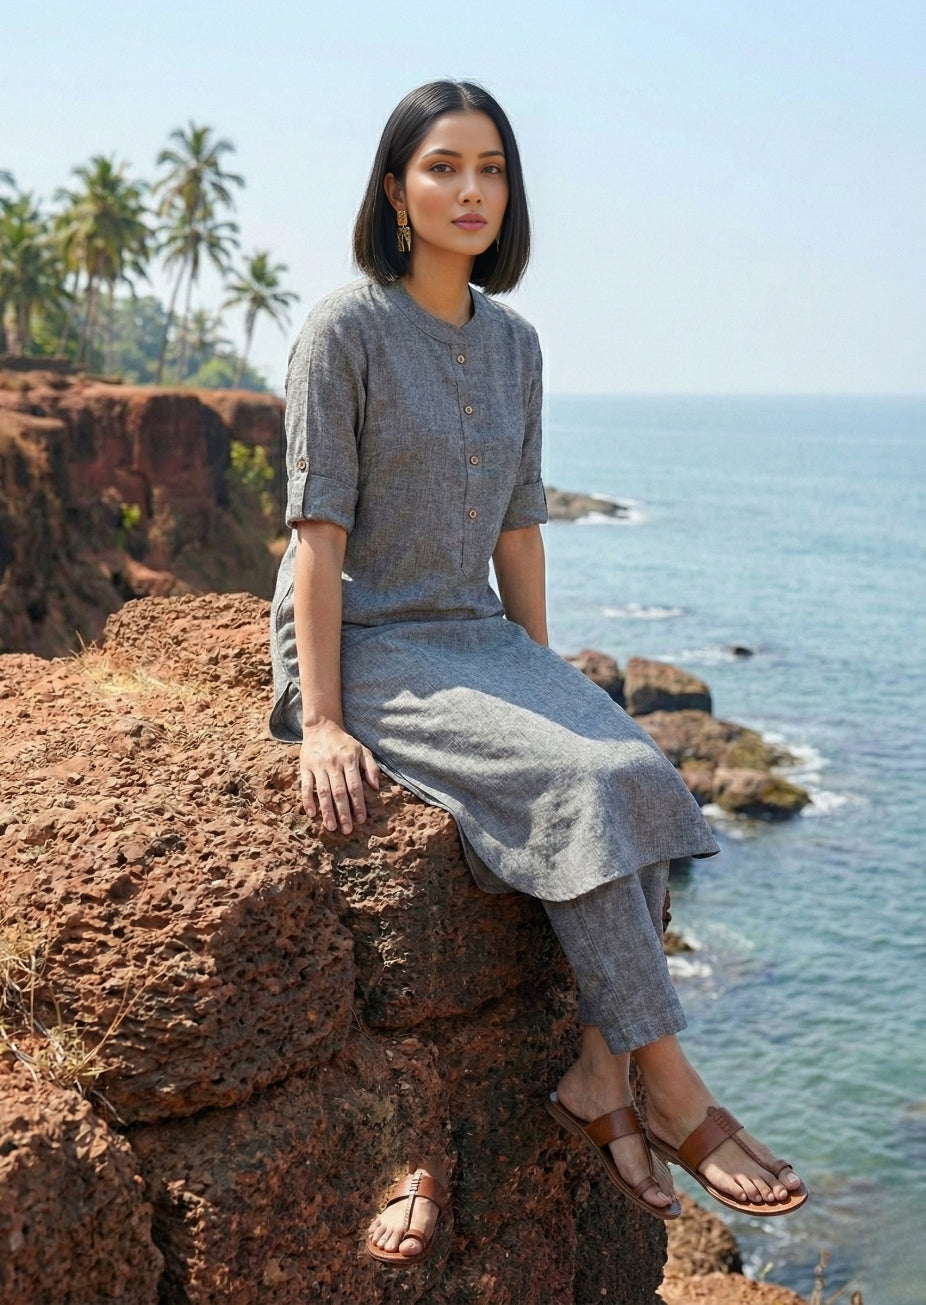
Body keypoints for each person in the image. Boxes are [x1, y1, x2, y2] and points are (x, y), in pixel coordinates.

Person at [269, 79, 808, 1266]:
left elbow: (517, 531)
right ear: (395, 190)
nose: (470, 191)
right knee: (577, 784)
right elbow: (314, 539)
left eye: (492, 170)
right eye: (442, 167)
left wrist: (543, 677)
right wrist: (318, 720)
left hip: (475, 632)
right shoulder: (341, 331)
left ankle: (595, 1071)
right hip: (368, 643)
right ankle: (664, 1087)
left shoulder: (514, 344)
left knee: (627, 761)